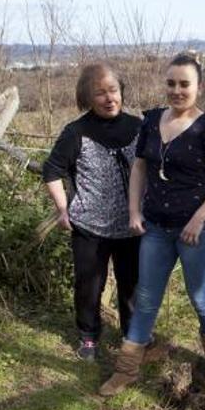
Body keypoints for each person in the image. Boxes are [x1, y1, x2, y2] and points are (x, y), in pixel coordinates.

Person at [100, 52, 205, 396]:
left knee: (201, 297)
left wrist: (199, 218)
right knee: (146, 298)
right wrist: (134, 211)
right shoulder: (151, 121)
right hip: (157, 229)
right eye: (171, 83)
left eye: (184, 84)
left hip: (197, 231)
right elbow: (140, 168)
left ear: (199, 87)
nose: (177, 90)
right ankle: (127, 368)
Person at [42, 62, 142, 361]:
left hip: (132, 226)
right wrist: (63, 209)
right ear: (87, 97)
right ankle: (88, 337)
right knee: (89, 285)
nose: (109, 98)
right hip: (89, 227)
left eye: (113, 90)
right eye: (100, 93)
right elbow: (52, 170)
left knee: (132, 285)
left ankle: (132, 337)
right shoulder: (76, 132)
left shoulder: (138, 127)